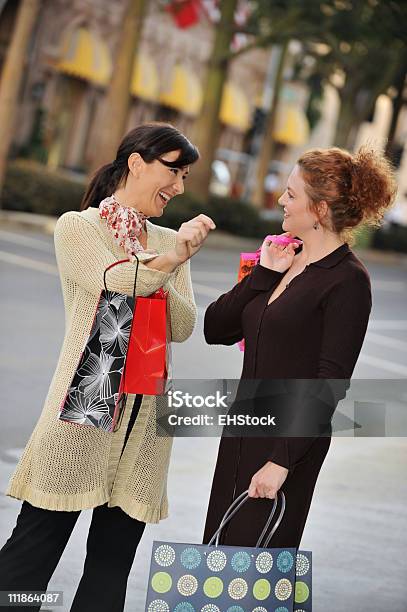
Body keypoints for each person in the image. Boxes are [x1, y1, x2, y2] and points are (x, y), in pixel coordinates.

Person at [0, 122, 215, 611]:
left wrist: (170, 259)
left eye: (185, 177)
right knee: (29, 559)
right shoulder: (79, 228)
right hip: (84, 412)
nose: (179, 187)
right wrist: (169, 261)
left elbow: (181, 323)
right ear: (136, 163)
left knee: (110, 569)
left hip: (144, 421)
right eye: (173, 172)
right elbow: (114, 282)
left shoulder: (166, 238)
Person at [202, 146, 397, 548]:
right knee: (219, 565)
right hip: (242, 432)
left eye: (291, 194)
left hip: (287, 445)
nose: (281, 200)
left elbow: (329, 384)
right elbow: (215, 328)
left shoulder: (347, 281)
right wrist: (262, 275)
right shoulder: (279, 254)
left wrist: (280, 462)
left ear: (321, 209)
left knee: (255, 573)